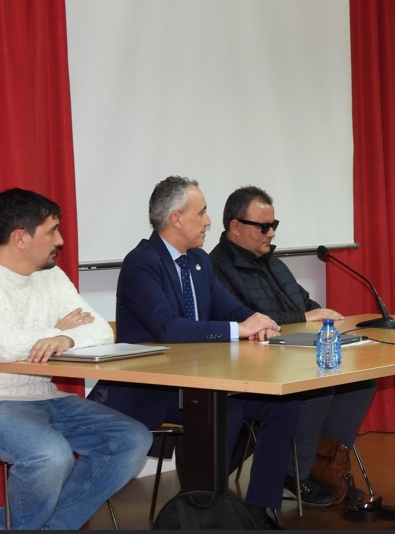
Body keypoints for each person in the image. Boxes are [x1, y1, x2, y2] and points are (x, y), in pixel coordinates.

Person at [86, 176, 299, 529]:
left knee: (283, 404)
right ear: (176, 218)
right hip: (156, 387)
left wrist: (254, 319)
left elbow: (228, 309)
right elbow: (168, 327)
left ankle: (258, 508)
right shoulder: (142, 263)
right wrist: (237, 330)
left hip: (202, 382)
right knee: (223, 410)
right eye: (201, 213)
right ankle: (203, 510)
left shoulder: (198, 260)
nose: (208, 221)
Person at [0, 188, 152, 530]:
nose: (60, 240)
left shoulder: (50, 276)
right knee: (50, 456)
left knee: (132, 439)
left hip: (43, 395)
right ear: (20, 238)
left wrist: (64, 337)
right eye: (52, 230)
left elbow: (101, 331)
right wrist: (54, 327)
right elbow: (2, 347)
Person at [209, 185, 376, 507]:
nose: (270, 233)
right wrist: (303, 315)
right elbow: (244, 319)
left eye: (274, 225)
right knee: (318, 387)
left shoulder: (274, 264)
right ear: (235, 226)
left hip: (292, 353)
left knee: (359, 380)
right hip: (254, 365)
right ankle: (292, 473)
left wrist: (327, 320)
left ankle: (321, 463)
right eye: (263, 226)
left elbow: (306, 304)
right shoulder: (216, 268)